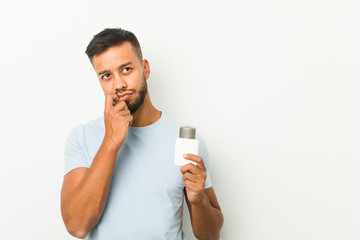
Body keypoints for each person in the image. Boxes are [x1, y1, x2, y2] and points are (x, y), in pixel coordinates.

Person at [60, 28, 223, 240]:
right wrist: (111, 142)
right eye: (107, 75)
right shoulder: (81, 138)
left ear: (145, 68)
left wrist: (198, 199)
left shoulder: (184, 140)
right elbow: (77, 227)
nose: (118, 84)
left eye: (126, 69)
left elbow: (211, 236)